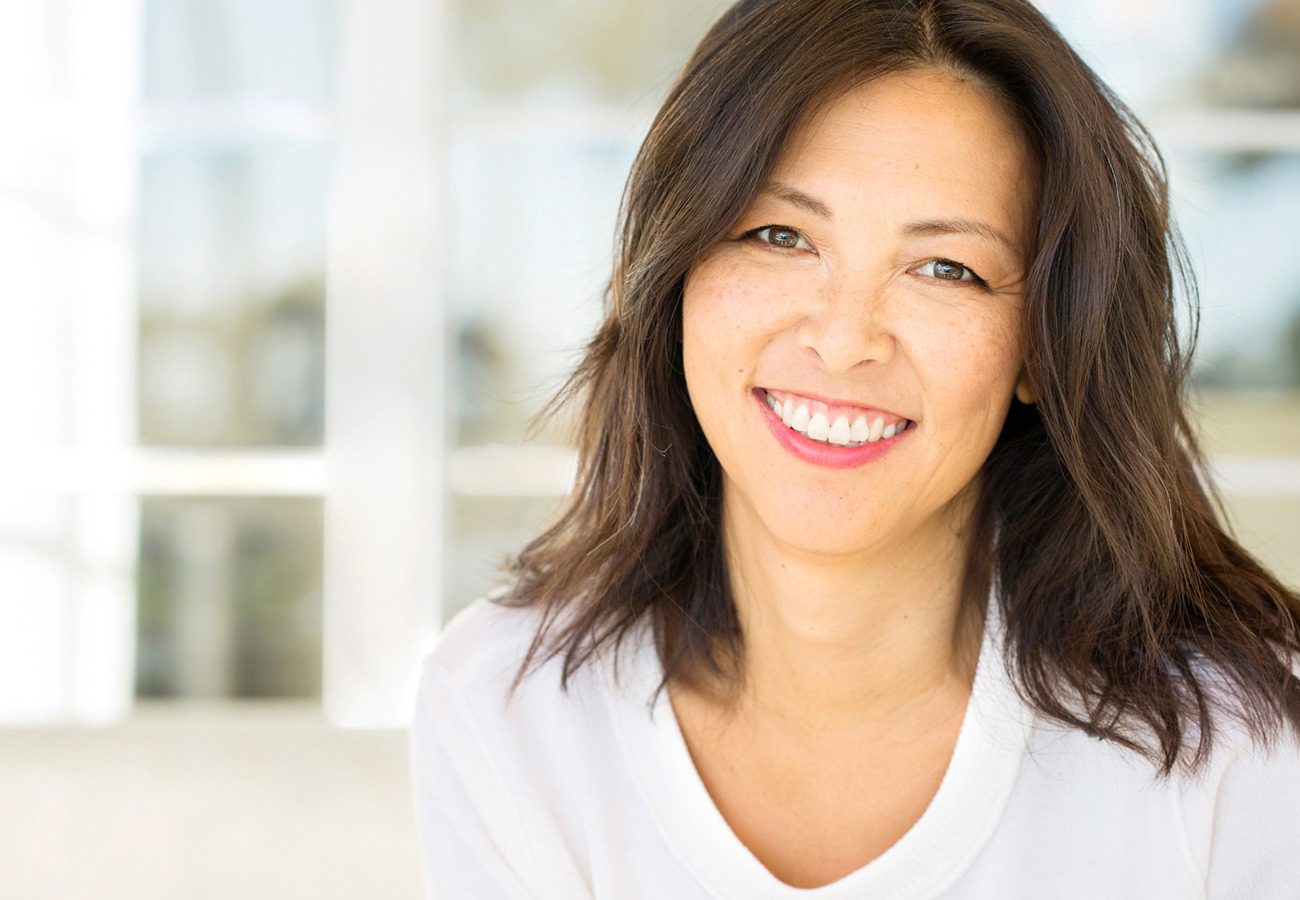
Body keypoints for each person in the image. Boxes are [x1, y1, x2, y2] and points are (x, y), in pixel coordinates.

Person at [408, 0, 1300, 896]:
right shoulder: (506, 709)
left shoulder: (1239, 743)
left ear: (1041, 343)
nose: (843, 341)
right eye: (779, 236)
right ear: (676, 274)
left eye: (945, 268)